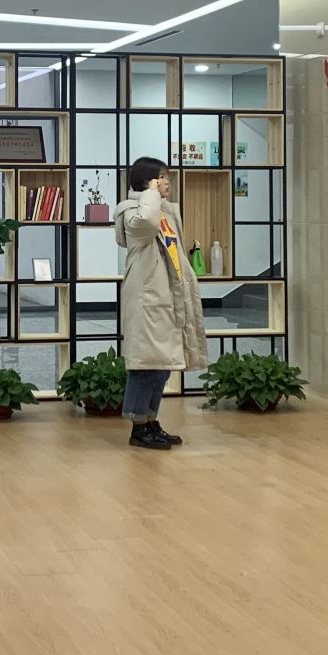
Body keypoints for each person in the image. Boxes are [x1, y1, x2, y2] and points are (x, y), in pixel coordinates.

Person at [113, 157, 208, 451]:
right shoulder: (131, 211)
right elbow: (144, 226)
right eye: (162, 177)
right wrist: (151, 194)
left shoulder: (163, 212)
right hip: (147, 299)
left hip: (166, 296)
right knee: (145, 365)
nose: (168, 182)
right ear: (148, 181)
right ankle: (138, 427)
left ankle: (151, 421)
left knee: (161, 365)